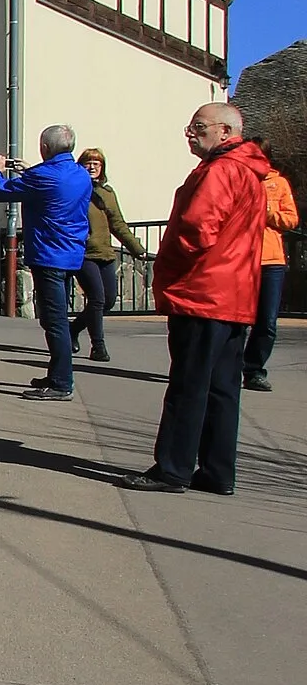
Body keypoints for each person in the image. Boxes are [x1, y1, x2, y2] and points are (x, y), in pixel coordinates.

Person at [125, 104, 269, 496]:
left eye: (199, 126)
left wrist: (168, 264)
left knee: (189, 384)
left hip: (204, 292)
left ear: (225, 131)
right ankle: (218, 471)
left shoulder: (221, 171)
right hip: (234, 295)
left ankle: (172, 469)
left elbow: (196, 229)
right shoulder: (249, 172)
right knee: (222, 388)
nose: (190, 132)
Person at [0, 127, 94, 397]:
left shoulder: (41, 177)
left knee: (54, 322)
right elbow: (51, 184)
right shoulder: (80, 174)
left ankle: (61, 383)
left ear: (44, 146)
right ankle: (57, 374)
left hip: (48, 255)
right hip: (71, 254)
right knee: (58, 320)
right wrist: (29, 171)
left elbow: (1, 191)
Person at [75, 148, 145, 363]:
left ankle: (73, 328)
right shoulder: (75, 190)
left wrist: (136, 249)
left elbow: (118, 224)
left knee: (109, 300)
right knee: (96, 298)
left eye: (97, 163)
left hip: (105, 252)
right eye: (88, 162)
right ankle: (98, 346)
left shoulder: (107, 193)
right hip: (84, 254)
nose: (93, 166)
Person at [242, 154, 298, 393]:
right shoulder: (239, 179)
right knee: (235, 320)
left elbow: (291, 219)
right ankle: (226, 367)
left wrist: (268, 212)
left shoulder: (279, 183)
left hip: (271, 260)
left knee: (267, 321)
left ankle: (254, 370)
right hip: (241, 258)